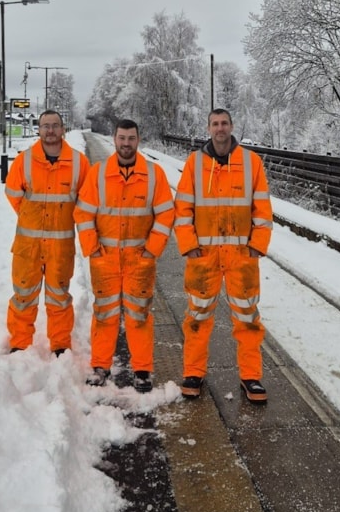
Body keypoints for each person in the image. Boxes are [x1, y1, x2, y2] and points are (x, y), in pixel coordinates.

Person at [174, 108, 273, 403]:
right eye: (215, 123)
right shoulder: (195, 163)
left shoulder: (250, 162)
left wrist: (258, 244)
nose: (220, 128)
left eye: (225, 123)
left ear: (232, 126)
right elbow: (183, 208)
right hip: (203, 256)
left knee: (248, 318)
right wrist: (188, 243)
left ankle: (251, 377)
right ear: (208, 128)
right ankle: (193, 373)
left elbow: (263, 208)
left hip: (242, 255)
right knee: (197, 316)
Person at [74, 119, 175, 392]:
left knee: (139, 315)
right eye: (122, 138)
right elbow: (83, 213)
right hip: (104, 257)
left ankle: (142, 370)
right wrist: (93, 248)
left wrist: (152, 249)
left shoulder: (154, 175)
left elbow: (166, 214)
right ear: (114, 139)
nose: (126, 143)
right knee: (104, 313)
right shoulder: (98, 174)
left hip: (139, 259)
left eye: (131, 138)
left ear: (138, 140)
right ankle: (100, 366)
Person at [4, 110, 90, 355]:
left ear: (63, 129)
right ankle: (20, 342)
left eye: (55, 125)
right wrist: (29, 216)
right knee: (23, 294)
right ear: (39, 130)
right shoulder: (25, 160)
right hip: (27, 244)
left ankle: (60, 344)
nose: (50, 130)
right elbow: (13, 193)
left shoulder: (78, 162)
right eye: (45, 126)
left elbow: (86, 201)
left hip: (60, 246)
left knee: (59, 296)